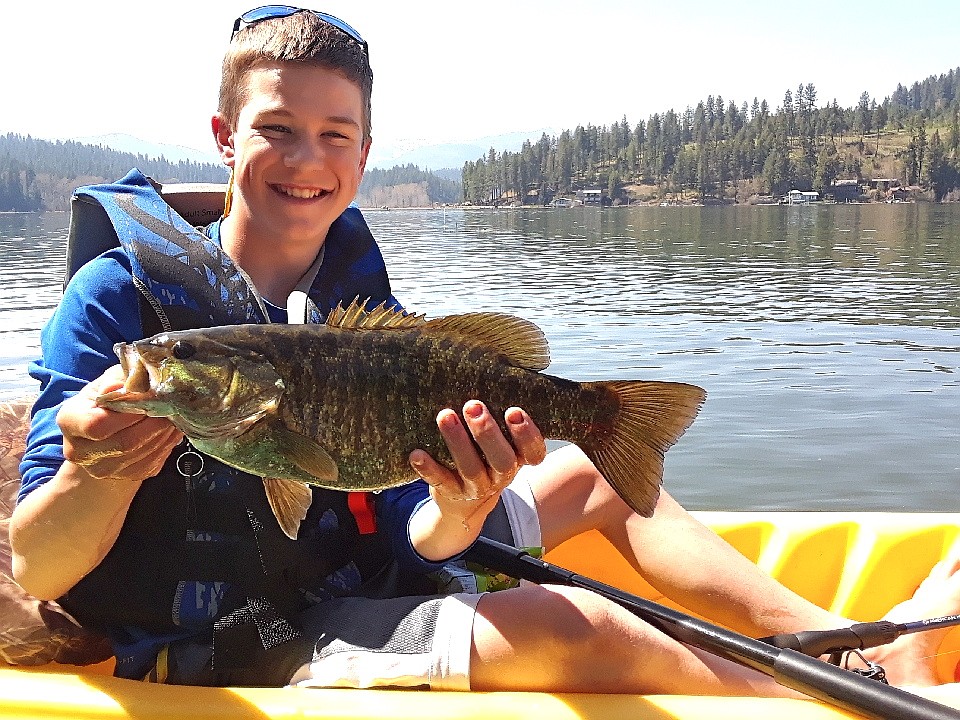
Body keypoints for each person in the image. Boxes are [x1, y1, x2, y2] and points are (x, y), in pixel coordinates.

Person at [9, 5, 960, 697]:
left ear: (365, 152)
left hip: (375, 558)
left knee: (595, 465)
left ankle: (834, 642)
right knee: (577, 625)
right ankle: (831, 695)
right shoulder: (123, 304)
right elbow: (36, 569)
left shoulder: (360, 307)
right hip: (256, 631)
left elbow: (421, 527)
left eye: (333, 134)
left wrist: (463, 505)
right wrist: (99, 474)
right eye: (276, 130)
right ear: (223, 138)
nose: (306, 160)